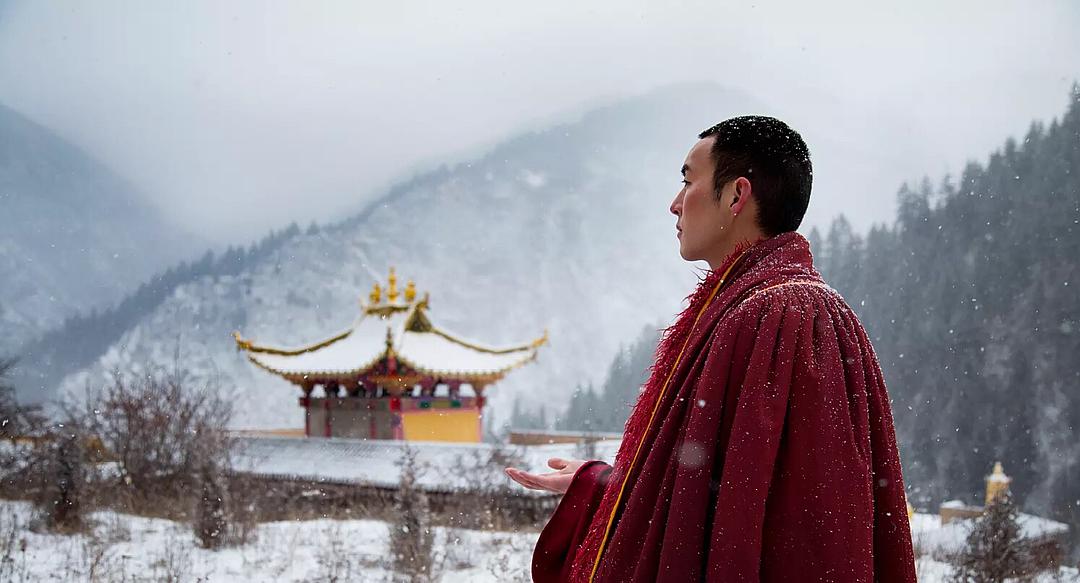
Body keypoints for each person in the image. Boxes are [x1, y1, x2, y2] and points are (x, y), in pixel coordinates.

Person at [504, 116, 917, 582]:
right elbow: (712, 496)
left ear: (737, 195)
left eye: (687, 181)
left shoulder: (785, 316)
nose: (675, 204)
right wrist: (607, 487)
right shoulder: (748, 308)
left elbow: (801, 529)